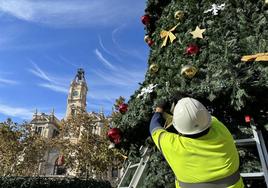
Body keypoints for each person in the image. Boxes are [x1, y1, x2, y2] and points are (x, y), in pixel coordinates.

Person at [150, 97, 244, 188]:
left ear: (178, 127)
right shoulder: (221, 130)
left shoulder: (174, 146)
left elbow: (154, 128)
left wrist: (158, 111)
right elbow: (201, 117)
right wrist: (189, 103)